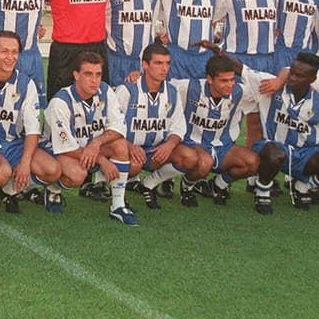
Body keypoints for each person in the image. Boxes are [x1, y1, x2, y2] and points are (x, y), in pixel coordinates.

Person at [0, 31, 61, 213]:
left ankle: (9, 190)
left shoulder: (26, 84)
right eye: (4, 52)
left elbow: (33, 129)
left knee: (52, 170)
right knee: (2, 173)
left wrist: (25, 163)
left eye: (14, 52)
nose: (10, 57)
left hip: (13, 144)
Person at [250, 52, 319, 214]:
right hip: (277, 149)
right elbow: (242, 69)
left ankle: (303, 186)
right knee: (272, 151)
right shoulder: (272, 86)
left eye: (299, 76)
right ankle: (262, 191)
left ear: (312, 79)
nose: (293, 78)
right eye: (292, 73)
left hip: (305, 155)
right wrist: (218, 51)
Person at [42, 51, 137, 223]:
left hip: (90, 147)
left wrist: (96, 144)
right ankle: (53, 188)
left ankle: (118, 205)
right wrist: (102, 160)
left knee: (120, 145)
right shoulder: (60, 103)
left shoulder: (106, 91)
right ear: (76, 75)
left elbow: (119, 128)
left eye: (98, 74)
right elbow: (66, 146)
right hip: (59, 150)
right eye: (88, 74)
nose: (94, 80)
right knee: (77, 174)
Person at [172, 50, 274, 206]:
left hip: (223, 147)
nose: (230, 85)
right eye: (224, 81)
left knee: (252, 162)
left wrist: (282, 79)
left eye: (232, 80)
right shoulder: (190, 88)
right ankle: (187, 187)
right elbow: (162, 87)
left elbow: (268, 83)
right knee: (204, 163)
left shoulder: (240, 92)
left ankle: (218, 185)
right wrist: (137, 78)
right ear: (209, 79)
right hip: (194, 144)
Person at [114, 44, 191, 212]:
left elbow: (178, 127)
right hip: (128, 150)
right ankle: (118, 196)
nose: (164, 68)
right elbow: (111, 127)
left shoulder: (172, 92)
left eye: (167, 63)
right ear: (145, 65)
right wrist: (129, 146)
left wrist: (169, 145)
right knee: (133, 166)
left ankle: (149, 184)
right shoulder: (127, 90)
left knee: (189, 157)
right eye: (158, 63)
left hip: (155, 150)